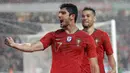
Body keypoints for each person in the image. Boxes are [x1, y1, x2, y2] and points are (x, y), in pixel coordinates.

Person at [5, 3, 99, 73]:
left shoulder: (86, 38)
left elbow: (94, 65)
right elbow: (32, 46)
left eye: (63, 13)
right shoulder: (53, 36)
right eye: (59, 13)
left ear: (72, 16)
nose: (59, 15)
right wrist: (15, 45)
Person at [81, 7, 116, 73]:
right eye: (83, 16)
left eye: (88, 16)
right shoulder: (77, 36)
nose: (85, 18)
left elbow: (110, 55)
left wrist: (113, 69)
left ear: (94, 19)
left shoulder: (102, 35)